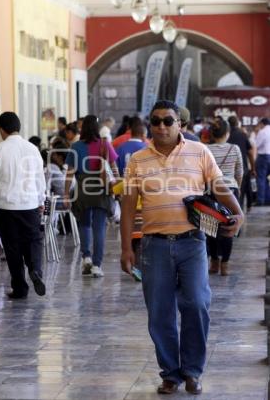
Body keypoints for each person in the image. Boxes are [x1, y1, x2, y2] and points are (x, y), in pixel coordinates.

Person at [120, 100, 243, 395]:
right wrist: (126, 248)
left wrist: (238, 212)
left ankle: (192, 371)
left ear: (180, 125)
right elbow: (126, 208)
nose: (161, 126)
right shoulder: (137, 159)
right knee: (159, 312)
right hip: (154, 246)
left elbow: (219, 186)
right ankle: (170, 373)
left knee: (197, 304)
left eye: (167, 121)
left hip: (192, 242)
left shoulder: (199, 151)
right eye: (156, 121)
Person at [0, 112, 46, 299]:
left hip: (6, 206)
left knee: (12, 247)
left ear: (2, 130)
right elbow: (39, 178)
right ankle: (35, 269)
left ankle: (20, 288)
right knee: (34, 240)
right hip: (29, 205)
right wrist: (40, 200)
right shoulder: (32, 149)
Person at [64, 115, 119, 278]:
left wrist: (66, 194)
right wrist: (117, 187)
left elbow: (70, 173)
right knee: (99, 227)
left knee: (85, 224)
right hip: (101, 191)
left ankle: (86, 256)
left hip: (83, 191)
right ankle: (96, 265)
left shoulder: (76, 147)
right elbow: (114, 169)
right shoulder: (105, 144)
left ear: (83, 129)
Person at [207, 117, 243, 275]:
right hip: (230, 190)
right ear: (227, 133)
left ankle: (214, 262)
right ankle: (225, 265)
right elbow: (239, 172)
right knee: (229, 227)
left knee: (211, 227)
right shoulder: (234, 149)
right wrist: (237, 188)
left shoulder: (206, 149)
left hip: (212, 190)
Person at [228, 116, 255, 211]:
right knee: (243, 190)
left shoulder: (227, 135)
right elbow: (250, 152)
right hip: (243, 166)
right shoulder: (243, 135)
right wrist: (253, 167)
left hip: (228, 168)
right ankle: (244, 208)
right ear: (237, 123)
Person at [255, 118, 270, 205]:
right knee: (267, 179)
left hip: (263, 157)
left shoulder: (262, 131)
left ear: (262, 123)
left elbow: (257, 144)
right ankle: (268, 199)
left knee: (261, 178)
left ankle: (260, 200)